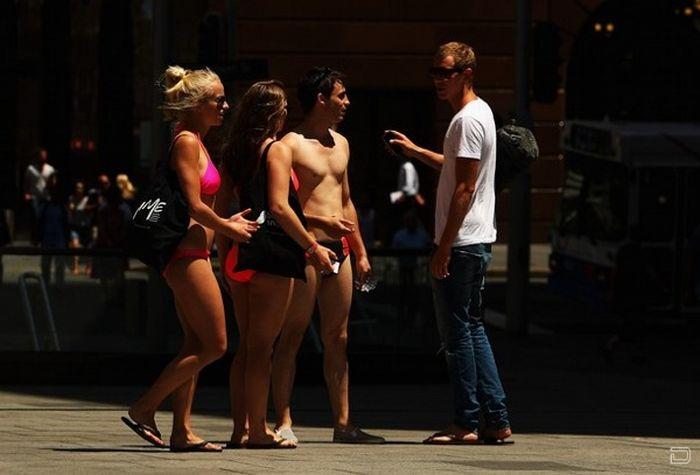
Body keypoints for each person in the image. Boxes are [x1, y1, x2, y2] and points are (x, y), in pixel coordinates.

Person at [122, 65, 256, 452]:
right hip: (186, 254)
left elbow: (202, 206)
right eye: (218, 100)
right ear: (197, 105)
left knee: (194, 344)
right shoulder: (185, 141)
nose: (225, 106)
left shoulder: (195, 139)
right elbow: (195, 206)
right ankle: (144, 407)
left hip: (196, 252)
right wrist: (229, 230)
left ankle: (182, 431)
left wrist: (225, 223)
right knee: (215, 344)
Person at [389, 42, 512, 444]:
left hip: (462, 243)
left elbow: (464, 186)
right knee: (471, 329)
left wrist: (443, 245)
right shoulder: (479, 115)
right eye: (435, 72)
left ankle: (466, 421)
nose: (439, 80)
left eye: (446, 72)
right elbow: (456, 166)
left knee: (457, 336)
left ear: (467, 73)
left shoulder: (466, 120)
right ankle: (494, 418)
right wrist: (415, 152)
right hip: (474, 240)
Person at [216, 80, 336, 449]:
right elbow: (280, 207)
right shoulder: (276, 150)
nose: (287, 115)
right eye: (283, 109)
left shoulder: (234, 151)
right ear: (273, 114)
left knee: (246, 347)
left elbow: (222, 208)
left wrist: (222, 257)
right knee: (262, 347)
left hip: (239, 251)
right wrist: (313, 247)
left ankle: (241, 428)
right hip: (272, 254)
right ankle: (256, 430)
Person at [271, 67, 385, 444]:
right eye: (341, 95)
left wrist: (362, 251)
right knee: (293, 334)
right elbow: (280, 207)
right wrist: (319, 225)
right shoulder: (289, 145)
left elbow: (347, 201)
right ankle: (284, 420)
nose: (346, 102)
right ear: (321, 99)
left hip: (341, 250)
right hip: (306, 248)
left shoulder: (342, 144)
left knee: (339, 336)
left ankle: (343, 422)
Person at [23, 147, 55, 244]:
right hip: (34, 196)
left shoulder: (50, 169)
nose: (43, 158)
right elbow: (26, 182)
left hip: (46, 197)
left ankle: (41, 238)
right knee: (36, 216)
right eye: (41, 157)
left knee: (44, 217)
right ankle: (35, 238)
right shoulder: (31, 169)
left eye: (44, 157)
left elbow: (53, 184)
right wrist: (26, 193)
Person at [67, 180, 92, 274]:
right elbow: (70, 211)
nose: (79, 189)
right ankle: (76, 267)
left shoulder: (87, 199)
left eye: (81, 187)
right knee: (75, 245)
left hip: (85, 226)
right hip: (75, 226)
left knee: (89, 247)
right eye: (77, 187)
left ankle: (88, 267)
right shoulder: (72, 199)